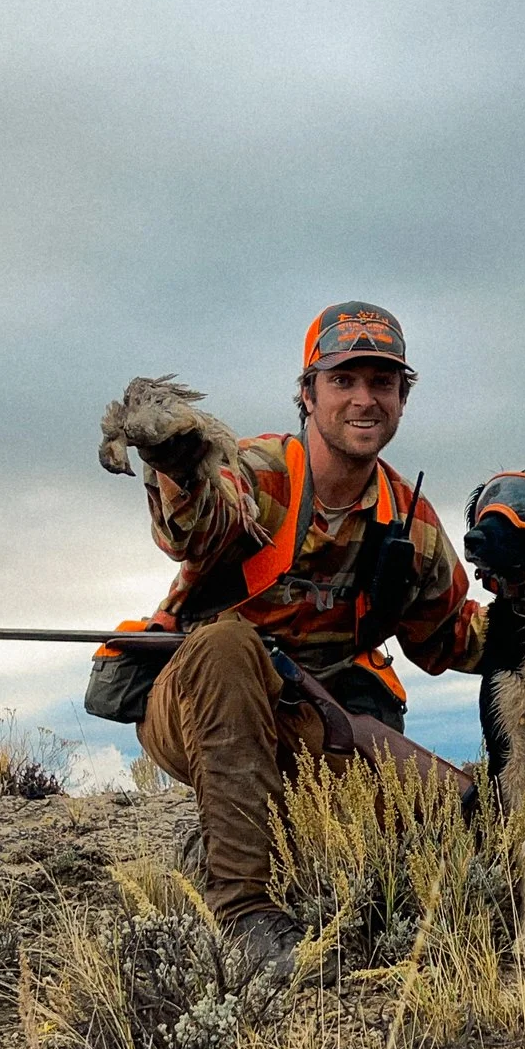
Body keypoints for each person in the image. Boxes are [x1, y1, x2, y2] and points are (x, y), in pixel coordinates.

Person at [125, 303, 485, 972]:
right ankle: (243, 915)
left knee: (454, 820)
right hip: (201, 701)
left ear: (403, 398)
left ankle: (235, 837)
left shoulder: (411, 521)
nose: (363, 398)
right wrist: (175, 457)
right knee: (231, 645)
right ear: (308, 391)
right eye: (344, 378)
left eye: (383, 382)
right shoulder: (261, 471)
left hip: (322, 722)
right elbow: (195, 523)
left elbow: (452, 638)